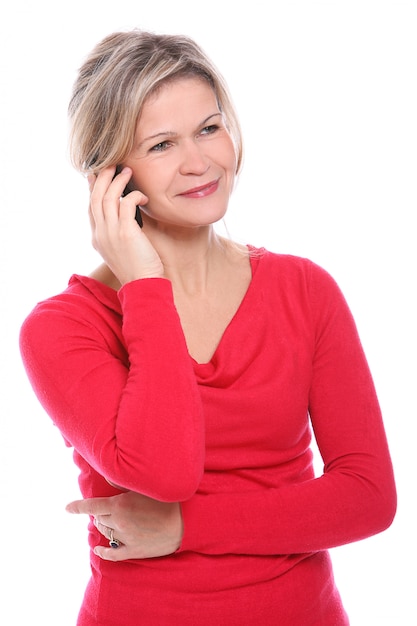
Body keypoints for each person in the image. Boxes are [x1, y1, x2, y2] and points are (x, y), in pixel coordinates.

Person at [19, 29, 397, 625]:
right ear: (109, 176)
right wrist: (144, 283)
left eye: (209, 128)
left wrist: (184, 529)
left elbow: (369, 498)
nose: (200, 163)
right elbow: (165, 470)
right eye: (162, 144)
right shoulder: (63, 328)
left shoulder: (305, 291)